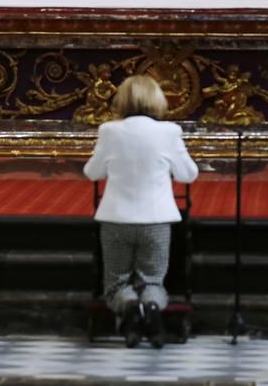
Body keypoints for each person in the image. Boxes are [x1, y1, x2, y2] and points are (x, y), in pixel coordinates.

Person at [83, 75, 198, 349]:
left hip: (115, 219)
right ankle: (153, 313)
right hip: (156, 221)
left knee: (115, 282)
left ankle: (130, 311)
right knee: (153, 279)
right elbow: (189, 174)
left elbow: (92, 172)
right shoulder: (169, 131)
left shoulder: (109, 130)